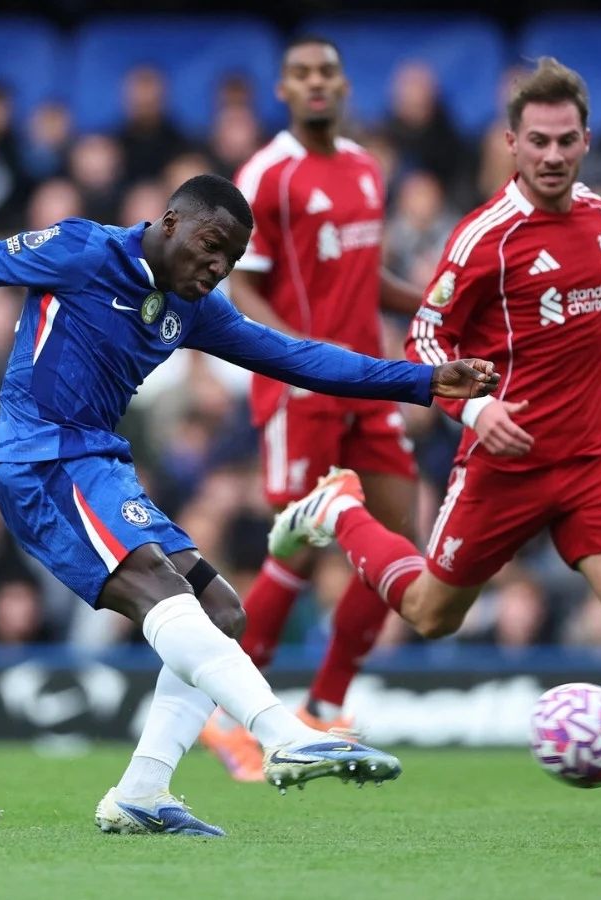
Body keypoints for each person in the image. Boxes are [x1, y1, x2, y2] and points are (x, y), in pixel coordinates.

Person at [0, 173, 499, 837]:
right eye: (211, 246)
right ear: (169, 221)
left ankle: (143, 792)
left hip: (99, 463)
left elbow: (298, 356)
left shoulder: (196, 308)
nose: (216, 268)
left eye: (230, 261)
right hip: (40, 458)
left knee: (222, 614)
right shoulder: (81, 251)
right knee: (158, 588)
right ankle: (281, 731)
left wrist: (421, 382)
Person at [268, 59, 601, 826]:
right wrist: (472, 409)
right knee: (431, 611)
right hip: (507, 459)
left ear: (586, 140)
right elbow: (425, 333)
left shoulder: (596, 212)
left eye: (566, 141)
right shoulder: (485, 237)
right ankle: (339, 510)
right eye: (539, 142)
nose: (554, 156)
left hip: (593, 455)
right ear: (512, 144)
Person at [199, 35, 425, 782]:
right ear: (283, 90)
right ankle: (230, 722)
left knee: (399, 534)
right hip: (302, 387)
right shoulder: (267, 175)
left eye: (328, 70)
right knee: (297, 548)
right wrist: (300, 359)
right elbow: (242, 286)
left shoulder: (363, 167)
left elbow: (364, 276)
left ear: (345, 82)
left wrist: (433, 300)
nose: (317, 82)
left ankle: (326, 709)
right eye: (303, 74)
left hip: (368, 379)